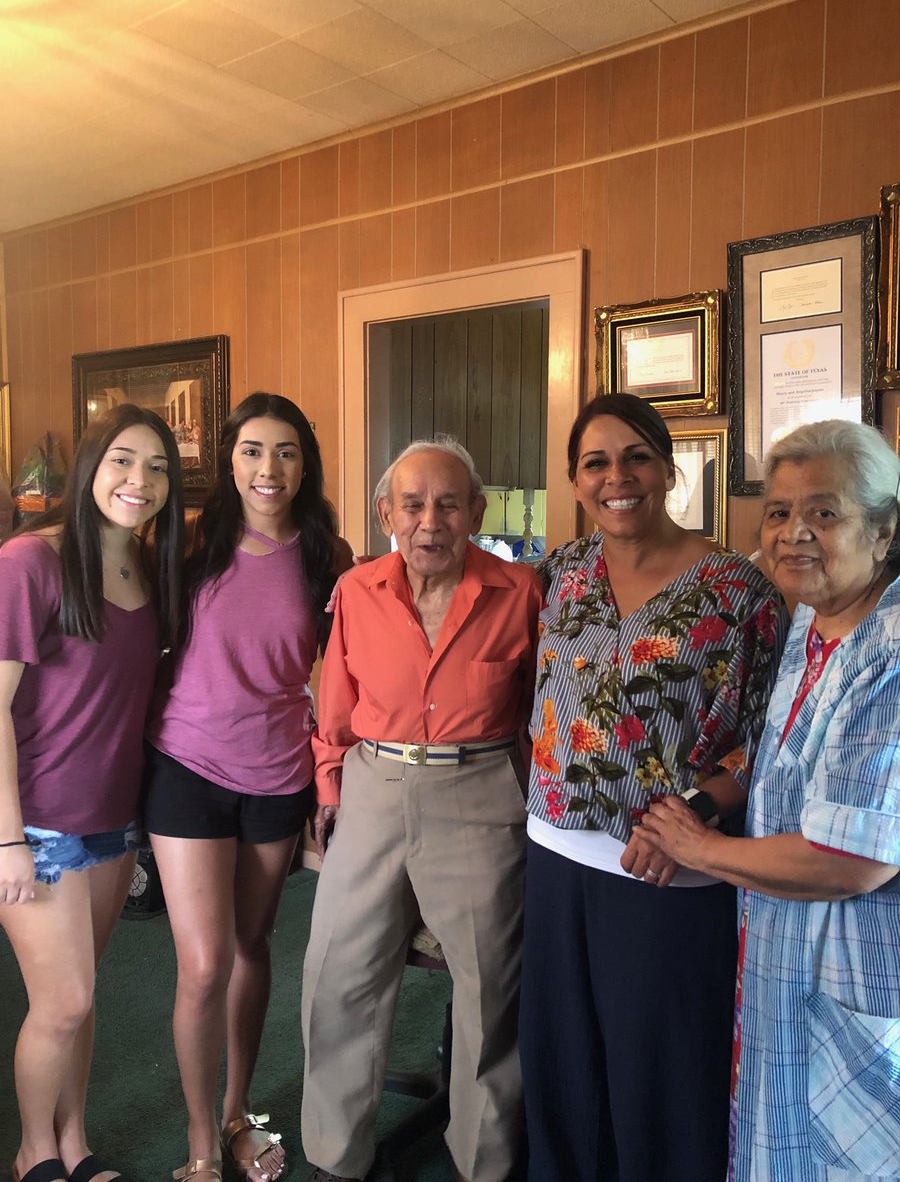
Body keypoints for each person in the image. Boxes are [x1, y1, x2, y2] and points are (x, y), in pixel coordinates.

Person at [519, 393, 788, 1182]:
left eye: (636, 456)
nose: (617, 477)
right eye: (596, 463)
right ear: (574, 481)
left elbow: (772, 741)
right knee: (562, 1068)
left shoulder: (737, 589)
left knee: (659, 1080)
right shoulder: (562, 574)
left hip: (667, 871)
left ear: (669, 469)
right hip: (553, 856)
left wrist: (697, 815)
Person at [634, 419, 900, 1181]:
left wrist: (695, 846)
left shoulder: (889, 652)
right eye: (780, 513)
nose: (795, 534)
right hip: (785, 963)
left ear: (883, 531)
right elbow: (775, 755)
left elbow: (850, 860)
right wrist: (702, 806)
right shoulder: (813, 626)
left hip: (856, 979)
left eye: (825, 512)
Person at [301, 437, 542, 1182]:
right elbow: (334, 706)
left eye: (448, 503)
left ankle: (484, 1161)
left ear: (475, 510)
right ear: (386, 514)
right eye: (413, 504)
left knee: (489, 987)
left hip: (479, 790)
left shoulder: (521, 591)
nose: (430, 520)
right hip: (375, 784)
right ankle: (335, 1156)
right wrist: (333, 788)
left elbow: (541, 708)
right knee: (338, 973)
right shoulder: (357, 591)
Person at [143, 393, 352, 1182]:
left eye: (287, 452)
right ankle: (201, 1145)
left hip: (276, 775)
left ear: (307, 463)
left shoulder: (328, 557)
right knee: (201, 965)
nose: (271, 468)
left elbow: (345, 676)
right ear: (229, 461)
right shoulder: (188, 541)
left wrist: (333, 774)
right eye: (254, 451)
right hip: (186, 768)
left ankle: (236, 1115)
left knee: (250, 946)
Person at [0, 406, 183, 1182]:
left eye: (156, 467)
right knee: (64, 1001)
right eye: (121, 461)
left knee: (82, 993)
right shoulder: (29, 562)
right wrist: (5, 837)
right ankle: (32, 1154)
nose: (138, 481)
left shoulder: (150, 568)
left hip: (115, 818)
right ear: (90, 466)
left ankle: (74, 1147)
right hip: (37, 821)